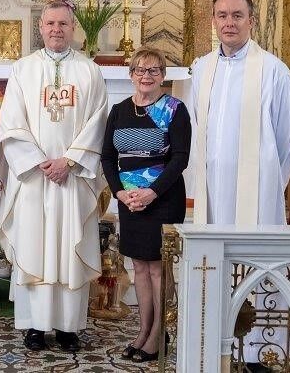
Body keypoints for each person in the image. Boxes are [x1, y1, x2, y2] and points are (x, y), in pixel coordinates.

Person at [191, 0, 290, 370]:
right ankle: (212, 341)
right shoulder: (201, 68)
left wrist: (271, 178)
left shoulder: (273, 69)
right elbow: (198, 125)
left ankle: (259, 351)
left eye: (237, 15)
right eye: (222, 15)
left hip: (258, 191)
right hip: (212, 189)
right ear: (213, 20)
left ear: (251, 21)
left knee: (260, 265)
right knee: (214, 263)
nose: (229, 23)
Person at [0, 0, 108, 352]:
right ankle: (34, 326)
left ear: (73, 28)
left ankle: (69, 328)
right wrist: (39, 162)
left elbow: (99, 122)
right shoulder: (22, 69)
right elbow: (11, 121)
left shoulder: (90, 71)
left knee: (68, 248)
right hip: (34, 178)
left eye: (63, 23)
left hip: (73, 179)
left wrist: (70, 161)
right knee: (34, 246)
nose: (56, 29)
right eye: (50, 23)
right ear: (40, 27)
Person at [101, 47, 191, 362]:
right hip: (129, 200)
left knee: (157, 268)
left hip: (162, 198)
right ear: (131, 75)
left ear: (163, 76)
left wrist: (152, 192)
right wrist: (119, 193)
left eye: (153, 70)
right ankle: (143, 331)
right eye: (140, 69)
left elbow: (180, 158)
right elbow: (108, 157)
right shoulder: (119, 109)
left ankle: (157, 335)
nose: (146, 76)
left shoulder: (175, 109)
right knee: (138, 266)